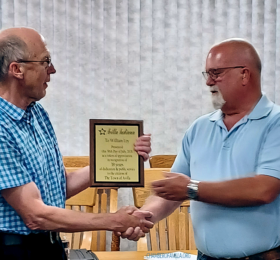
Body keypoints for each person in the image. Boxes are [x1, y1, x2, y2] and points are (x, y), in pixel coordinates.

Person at [0, 27, 153, 260]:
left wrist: (121, 159)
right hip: (15, 252)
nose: (52, 70)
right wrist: (114, 220)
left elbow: (59, 189)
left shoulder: (38, 115)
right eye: (45, 61)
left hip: (49, 247)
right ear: (16, 70)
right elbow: (35, 214)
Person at [120, 39, 280, 260]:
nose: (208, 82)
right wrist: (144, 216)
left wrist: (191, 189)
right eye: (207, 74)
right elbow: (172, 191)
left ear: (244, 74)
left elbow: (264, 189)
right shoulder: (200, 128)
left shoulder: (275, 123)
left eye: (216, 73)